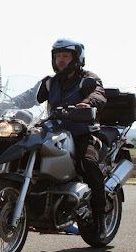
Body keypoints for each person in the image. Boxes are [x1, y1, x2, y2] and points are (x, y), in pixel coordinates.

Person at [15, 38, 107, 237]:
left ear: (77, 59)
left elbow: (98, 93)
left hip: (82, 132)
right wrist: (10, 103)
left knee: (88, 163)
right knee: (23, 149)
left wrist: (88, 103)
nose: (61, 60)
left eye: (65, 56)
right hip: (53, 130)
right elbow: (30, 97)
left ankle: (99, 216)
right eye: (57, 56)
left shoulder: (87, 79)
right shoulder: (50, 82)